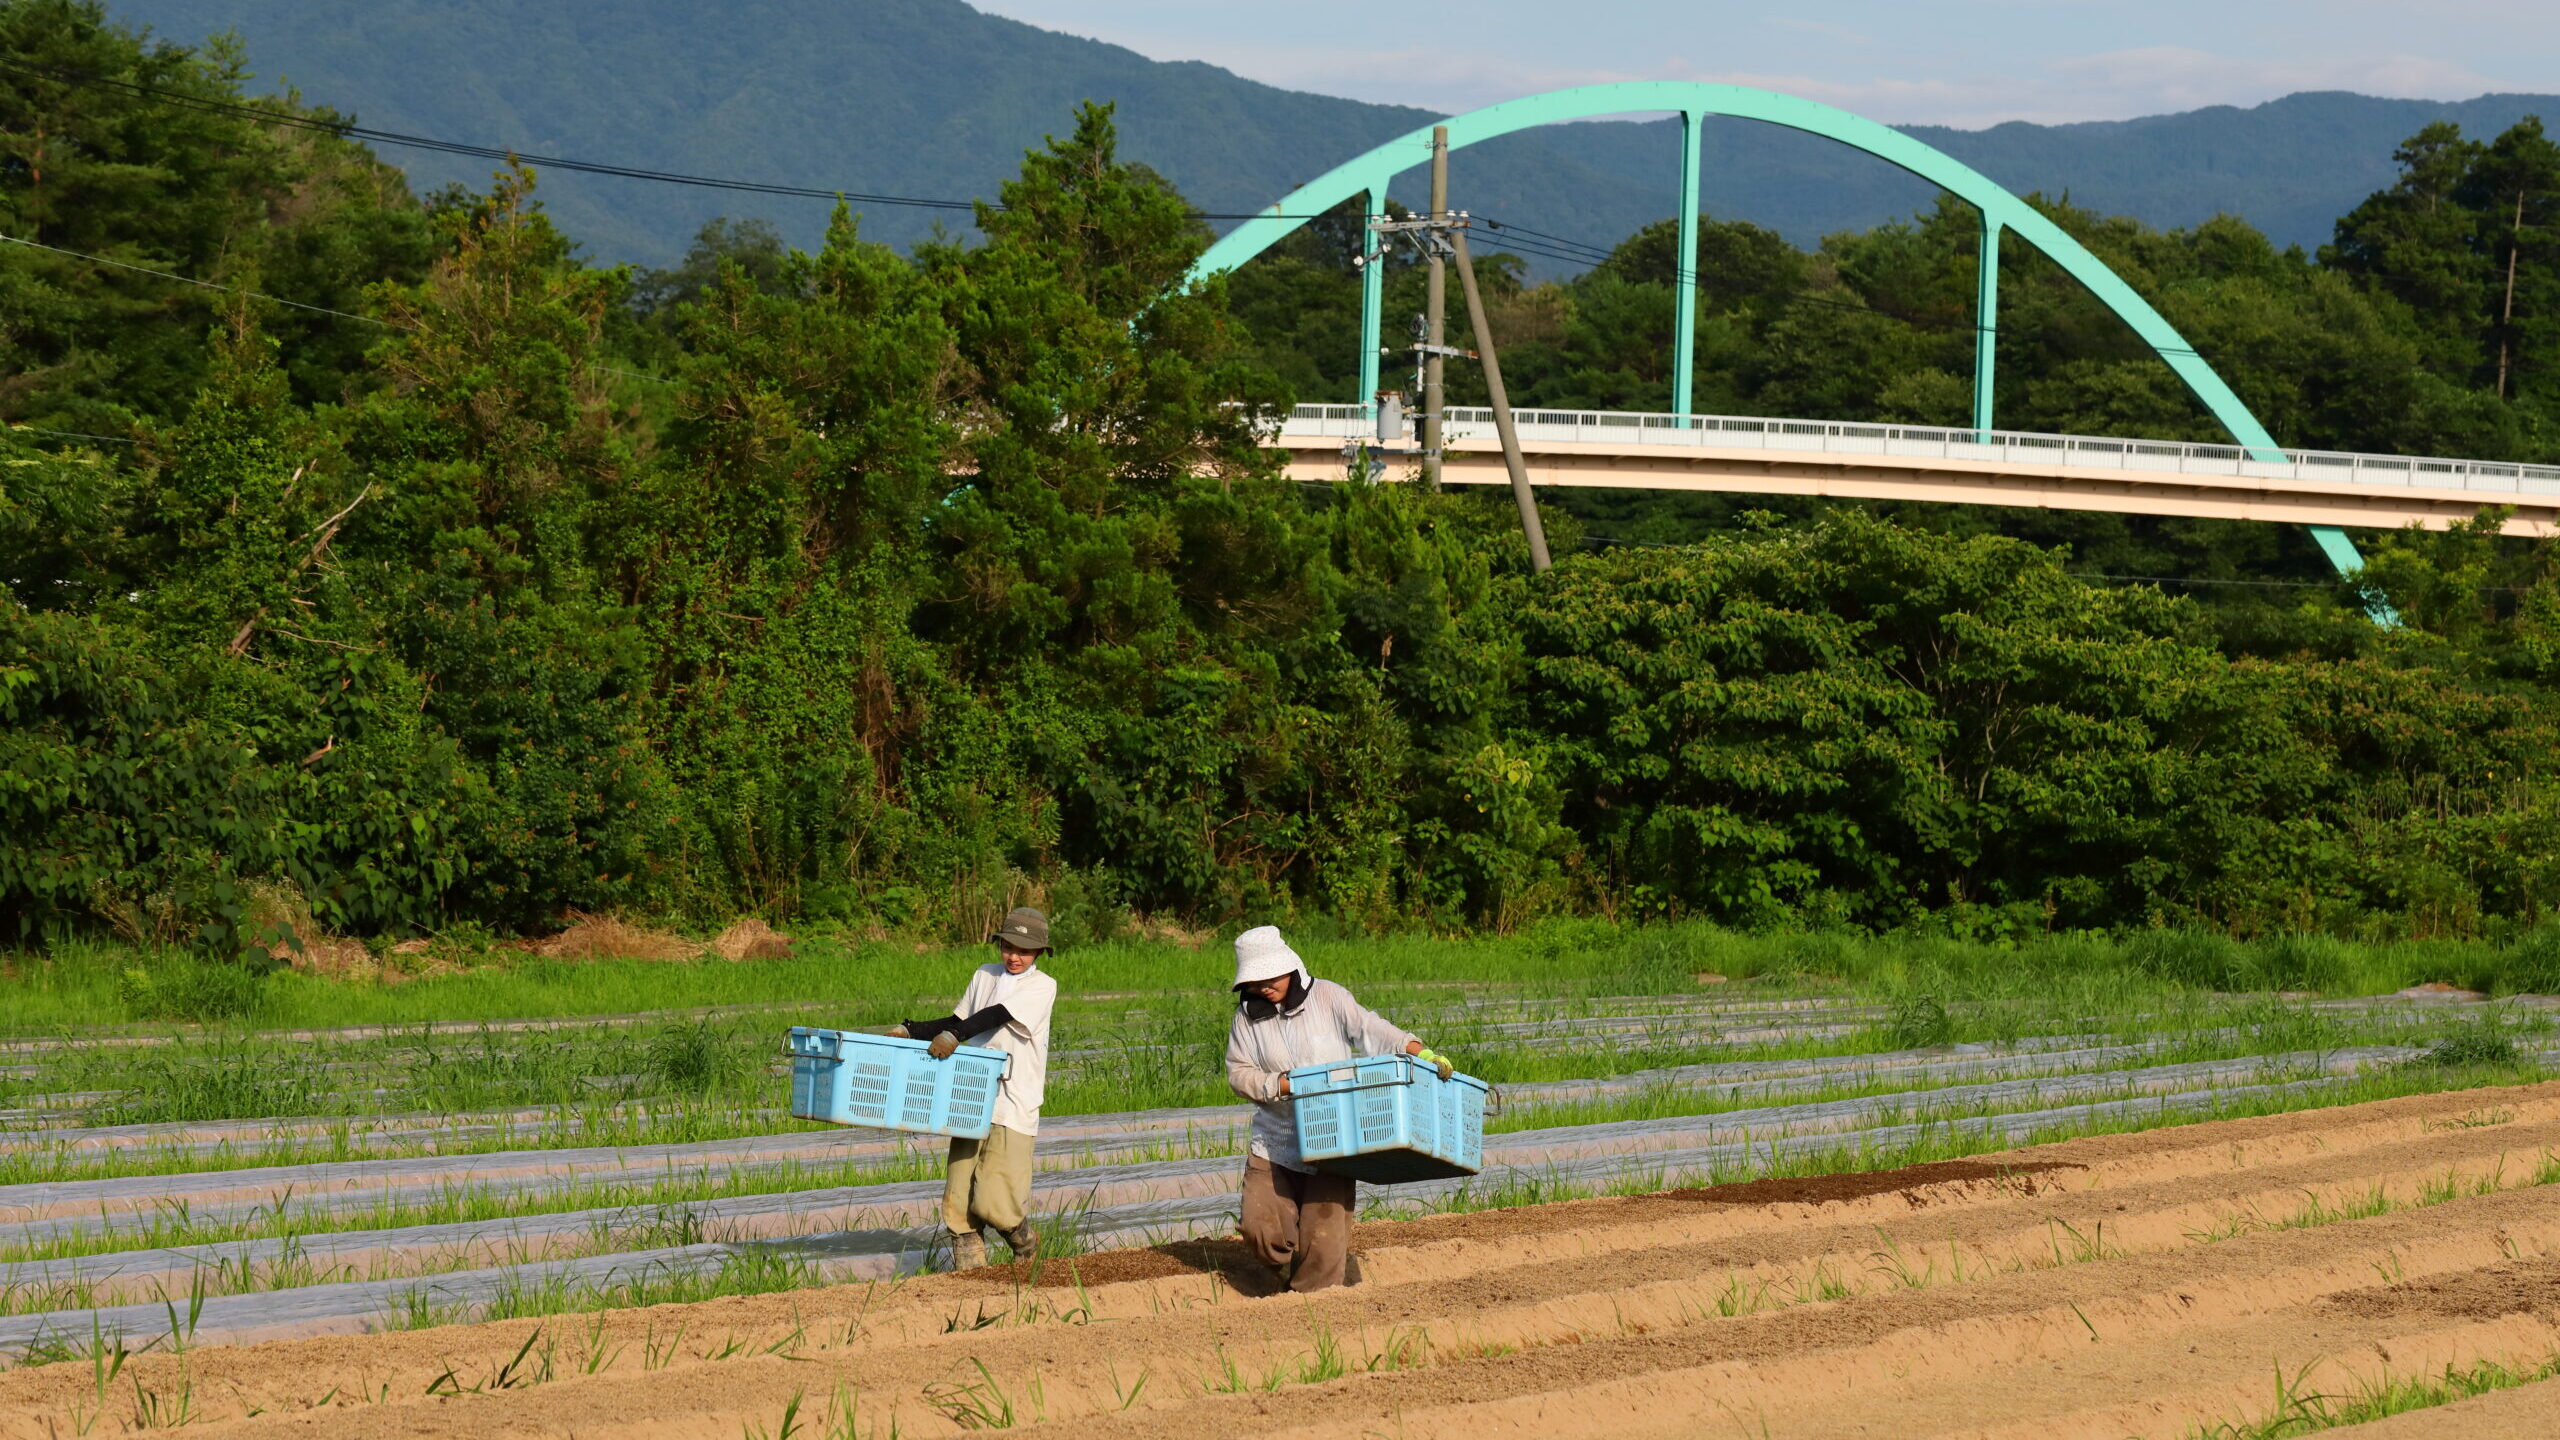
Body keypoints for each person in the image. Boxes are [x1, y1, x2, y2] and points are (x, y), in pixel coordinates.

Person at [1224, 924, 1451, 1294]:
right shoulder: (1246, 1020)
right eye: (1255, 981)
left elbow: (1372, 1030)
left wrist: (1419, 1052)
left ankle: (1312, 1313)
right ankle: (1280, 1268)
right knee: (1261, 1231)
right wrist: (1281, 1084)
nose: (1264, 986)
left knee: (1324, 1246)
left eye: (1270, 976)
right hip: (1275, 1140)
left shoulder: (1329, 997)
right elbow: (1238, 1073)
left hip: (1333, 1135)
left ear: (1288, 966)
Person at [892, 906, 1057, 1269]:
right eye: (1008, 947)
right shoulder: (984, 974)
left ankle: (1026, 1244)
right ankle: (971, 1280)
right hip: (972, 1096)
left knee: (994, 1200)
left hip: (1014, 1100)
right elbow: (960, 1019)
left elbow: (997, 1014)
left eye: (1024, 951)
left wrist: (955, 1035)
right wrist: (911, 1029)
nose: (1014, 956)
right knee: (960, 1198)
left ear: (1040, 953)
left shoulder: (1042, 986)